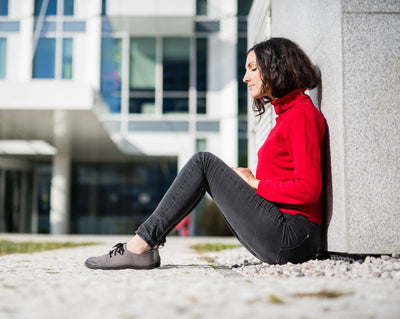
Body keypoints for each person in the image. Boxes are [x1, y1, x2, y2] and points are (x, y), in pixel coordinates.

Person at [85, 37, 326, 270]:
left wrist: (255, 183)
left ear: (276, 67)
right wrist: (250, 183)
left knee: (203, 163)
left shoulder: (301, 115)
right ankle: (146, 245)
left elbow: (309, 188)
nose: (245, 78)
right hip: (286, 233)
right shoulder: (288, 115)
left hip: (291, 237)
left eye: (253, 68)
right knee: (207, 166)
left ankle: (139, 246)